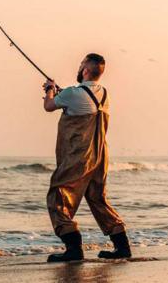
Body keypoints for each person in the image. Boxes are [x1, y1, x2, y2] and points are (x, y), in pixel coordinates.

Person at [42, 53, 131, 262]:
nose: (79, 66)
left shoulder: (73, 93)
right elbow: (82, 104)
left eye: (81, 63)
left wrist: (49, 90)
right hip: (100, 155)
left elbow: (48, 106)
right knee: (97, 197)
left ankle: (73, 247)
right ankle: (123, 247)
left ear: (85, 70)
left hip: (79, 156)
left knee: (57, 195)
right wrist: (60, 94)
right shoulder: (104, 94)